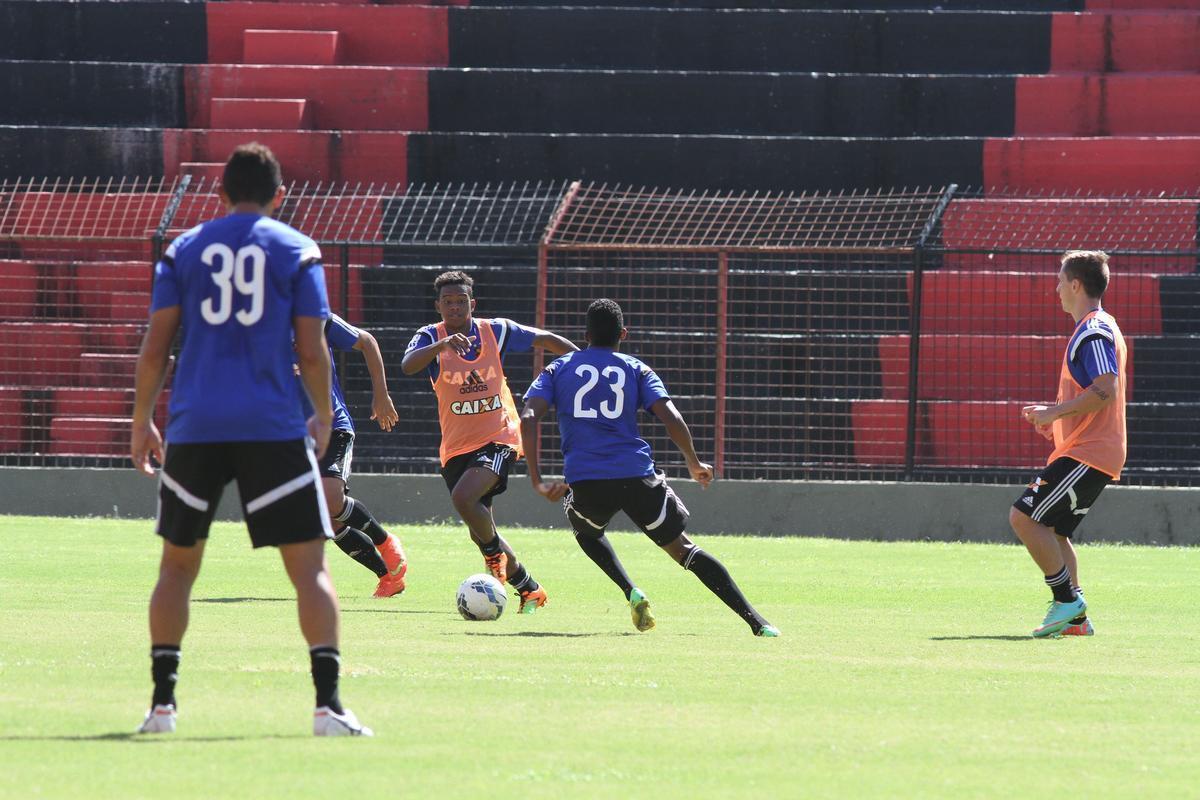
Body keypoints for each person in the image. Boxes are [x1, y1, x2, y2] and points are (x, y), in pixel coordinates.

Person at [129, 143, 371, 736]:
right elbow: (312, 350)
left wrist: (141, 421)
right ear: (279, 196)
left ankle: (162, 707)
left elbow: (156, 346)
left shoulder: (183, 249)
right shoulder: (297, 251)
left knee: (177, 568)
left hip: (196, 425)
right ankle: (328, 708)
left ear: (219, 194)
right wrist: (321, 415)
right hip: (271, 427)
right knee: (310, 569)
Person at [519, 298, 780, 637]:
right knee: (683, 549)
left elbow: (527, 418)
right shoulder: (636, 368)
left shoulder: (558, 368)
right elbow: (671, 416)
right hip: (638, 476)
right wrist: (693, 461)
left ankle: (631, 591)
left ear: (585, 334)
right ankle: (758, 623)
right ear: (623, 334)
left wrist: (537, 480)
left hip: (588, 480)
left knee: (586, 531)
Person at [400, 270, 577, 613]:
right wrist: (442, 345)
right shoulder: (428, 336)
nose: (455, 308)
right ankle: (529, 588)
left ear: (472, 304)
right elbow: (408, 365)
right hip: (456, 446)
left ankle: (494, 557)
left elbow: (544, 339)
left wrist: (583, 360)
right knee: (479, 529)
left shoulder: (494, 330)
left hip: (500, 436)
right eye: (448, 302)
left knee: (464, 498)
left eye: (461, 301)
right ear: (438, 306)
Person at [1012, 250, 1126, 638]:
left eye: (1060, 281)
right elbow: (1095, 394)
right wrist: (1056, 419)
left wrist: (1054, 413)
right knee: (1056, 533)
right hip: (1092, 448)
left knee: (1024, 518)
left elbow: (1105, 390)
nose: (1056, 288)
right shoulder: (1099, 326)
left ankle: (1067, 602)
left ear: (1076, 285)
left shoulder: (1093, 330)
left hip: (1089, 451)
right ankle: (1075, 621)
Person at [302, 313, 408, 598]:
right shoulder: (253, 327)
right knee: (326, 520)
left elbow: (367, 342)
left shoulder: (316, 316)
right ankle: (388, 577)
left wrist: (381, 394)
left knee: (330, 498)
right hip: (290, 434)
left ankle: (385, 542)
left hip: (332, 425)